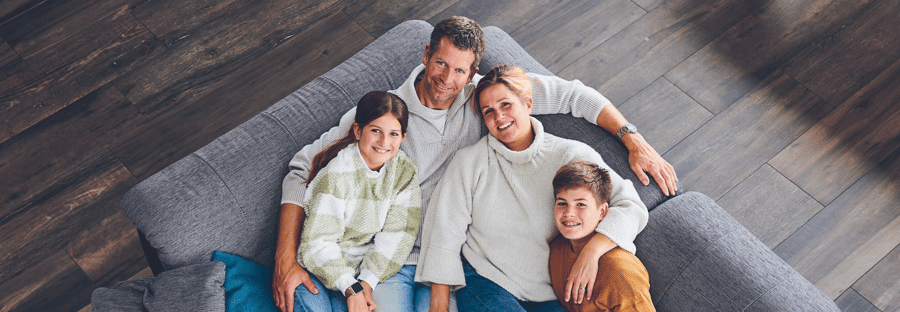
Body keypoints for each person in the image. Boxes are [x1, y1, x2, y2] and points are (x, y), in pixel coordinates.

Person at [273, 16, 673, 312]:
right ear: (426, 55)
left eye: (460, 70)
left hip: (453, 261)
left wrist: (632, 139)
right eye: (440, 63)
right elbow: (301, 169)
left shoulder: (487, 97)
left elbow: (575, 96)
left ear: (472, 73)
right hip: (389, 254)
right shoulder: (387, 115)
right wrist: (284, 260)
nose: (447, 79)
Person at [415, 65, 648, 312]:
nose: (499, 117)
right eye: (488, 111)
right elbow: (443, 231)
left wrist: (592, 252)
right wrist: (439, 304)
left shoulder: (569, 154)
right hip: (486, 281)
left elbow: (631, 205)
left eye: (506, 105)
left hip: (551, 293)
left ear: (528, 103)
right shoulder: (469, 162)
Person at [291, 91, 422, 312]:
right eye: (375, 131)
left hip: (360, 271)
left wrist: (367, 282)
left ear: (403, 138)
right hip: (318, 264)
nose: (384, 142)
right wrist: (350, 288)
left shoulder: (404, 172)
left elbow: (399, 234)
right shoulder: (337, 173)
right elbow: (318, 243)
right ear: (358, 131)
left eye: (393, 134)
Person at [550, 160, 654, 312]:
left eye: (581, 204)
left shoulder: (622, 272)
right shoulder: (556, 249)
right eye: (562, 203)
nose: (569, 213)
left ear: (602, 212)